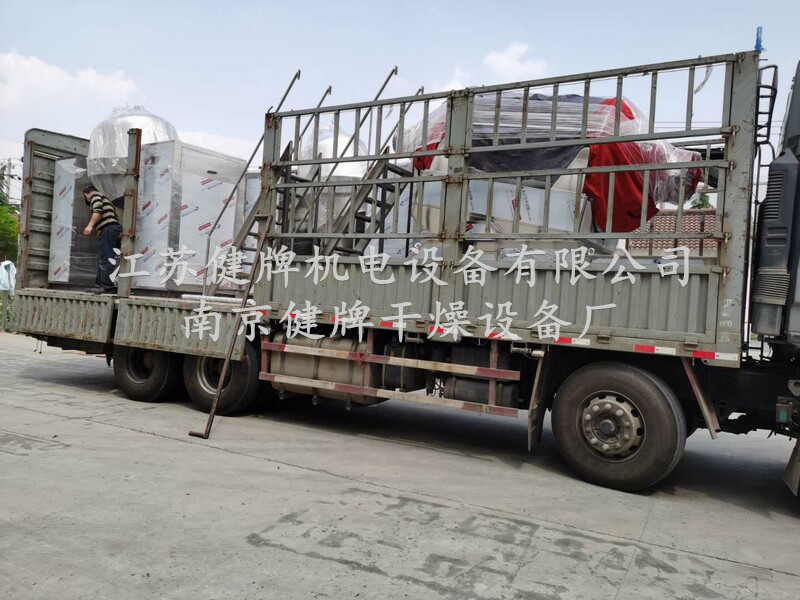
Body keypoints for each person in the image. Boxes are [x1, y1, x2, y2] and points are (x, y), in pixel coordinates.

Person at [82, 185, 121, 293]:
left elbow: (98, 211)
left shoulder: (95, 195)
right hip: (109, 229)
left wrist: (90, 226)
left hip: (109, 229)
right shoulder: (105, 199)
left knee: (106, 257)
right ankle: (99, 285)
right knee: (103, 257)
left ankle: (106, 285)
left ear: (85, 194)